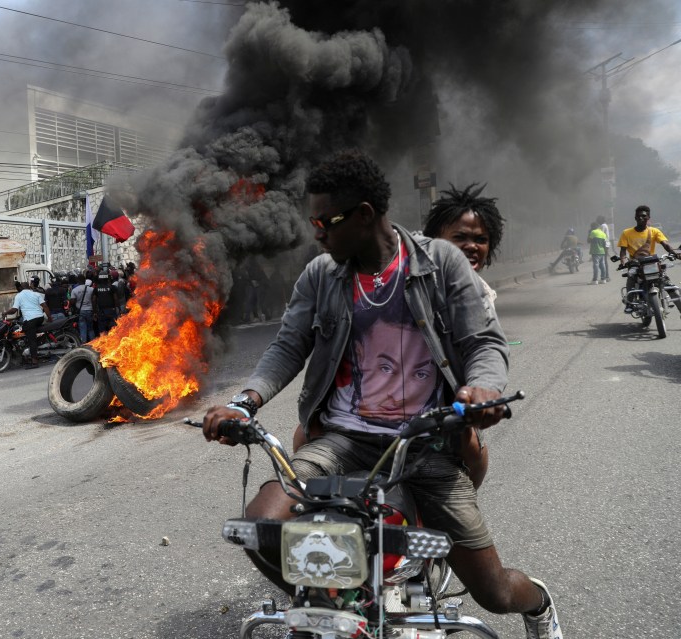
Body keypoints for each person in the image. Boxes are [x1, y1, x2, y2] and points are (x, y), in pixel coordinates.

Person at [201, 150, 562, 639]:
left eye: (325, 221)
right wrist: (245, 402)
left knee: (494, 592)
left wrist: (483, 388)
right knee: (263, 525)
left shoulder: (441, 263)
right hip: (344, 438)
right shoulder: (321, 275)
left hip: (427, 444)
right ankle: (339, 607)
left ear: (365, 215)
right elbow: (288, 345)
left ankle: (538, 604)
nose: (317, 233)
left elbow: (484, 343)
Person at [422, 182, 506, 488]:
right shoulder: (412, 278)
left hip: (448, 401)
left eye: (481, 239)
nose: (471, 246)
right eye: (459, 237)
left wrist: (482, 389)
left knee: (472, 451)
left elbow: (485, 347)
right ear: (435, 242)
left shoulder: (482, 293)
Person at [617, 205, 681, 307]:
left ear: (648, 218)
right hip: (635, 263)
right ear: (635, 218)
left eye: (643, 216)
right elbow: (623, 251)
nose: (641, 218)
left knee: (665, 281)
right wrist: (623, 261)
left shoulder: (654, 231)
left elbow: (665, 244)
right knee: (631, 276)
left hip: (652, 262)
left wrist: (675, 253)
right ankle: (629, 302)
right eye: (638, 216)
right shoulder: (626, 233)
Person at [12, 276, 50, 369]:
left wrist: (5, 313)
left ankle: (34, 362)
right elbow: (45, 306)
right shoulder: (36, 294)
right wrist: (50, 318)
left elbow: (14, 309)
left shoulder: (19, 296)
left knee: (31, 340)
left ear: (21, 288)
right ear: (28, 286)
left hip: (31, 319)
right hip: (40, 318)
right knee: (27, 330)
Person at [93, 265, 120, 334]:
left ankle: (103, 342)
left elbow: (94, 300)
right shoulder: (112, 287)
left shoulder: (96, 289)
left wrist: (95, 312)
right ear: (107, 278)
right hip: (111, 310)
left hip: (101, 311)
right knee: (113, 330)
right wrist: (118, 309)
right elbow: (116, 299)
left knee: (102, 331)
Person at [71, 272, 96, 342]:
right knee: (90, 329)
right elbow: (94, 301)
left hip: (80, 311)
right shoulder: (91, 289)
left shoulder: (75, 290)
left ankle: (84, 344)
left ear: (77, 281)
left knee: (82, 328)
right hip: (90, 310)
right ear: (85, 280)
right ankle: (93, 343)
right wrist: (94, 312)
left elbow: (72, 301)